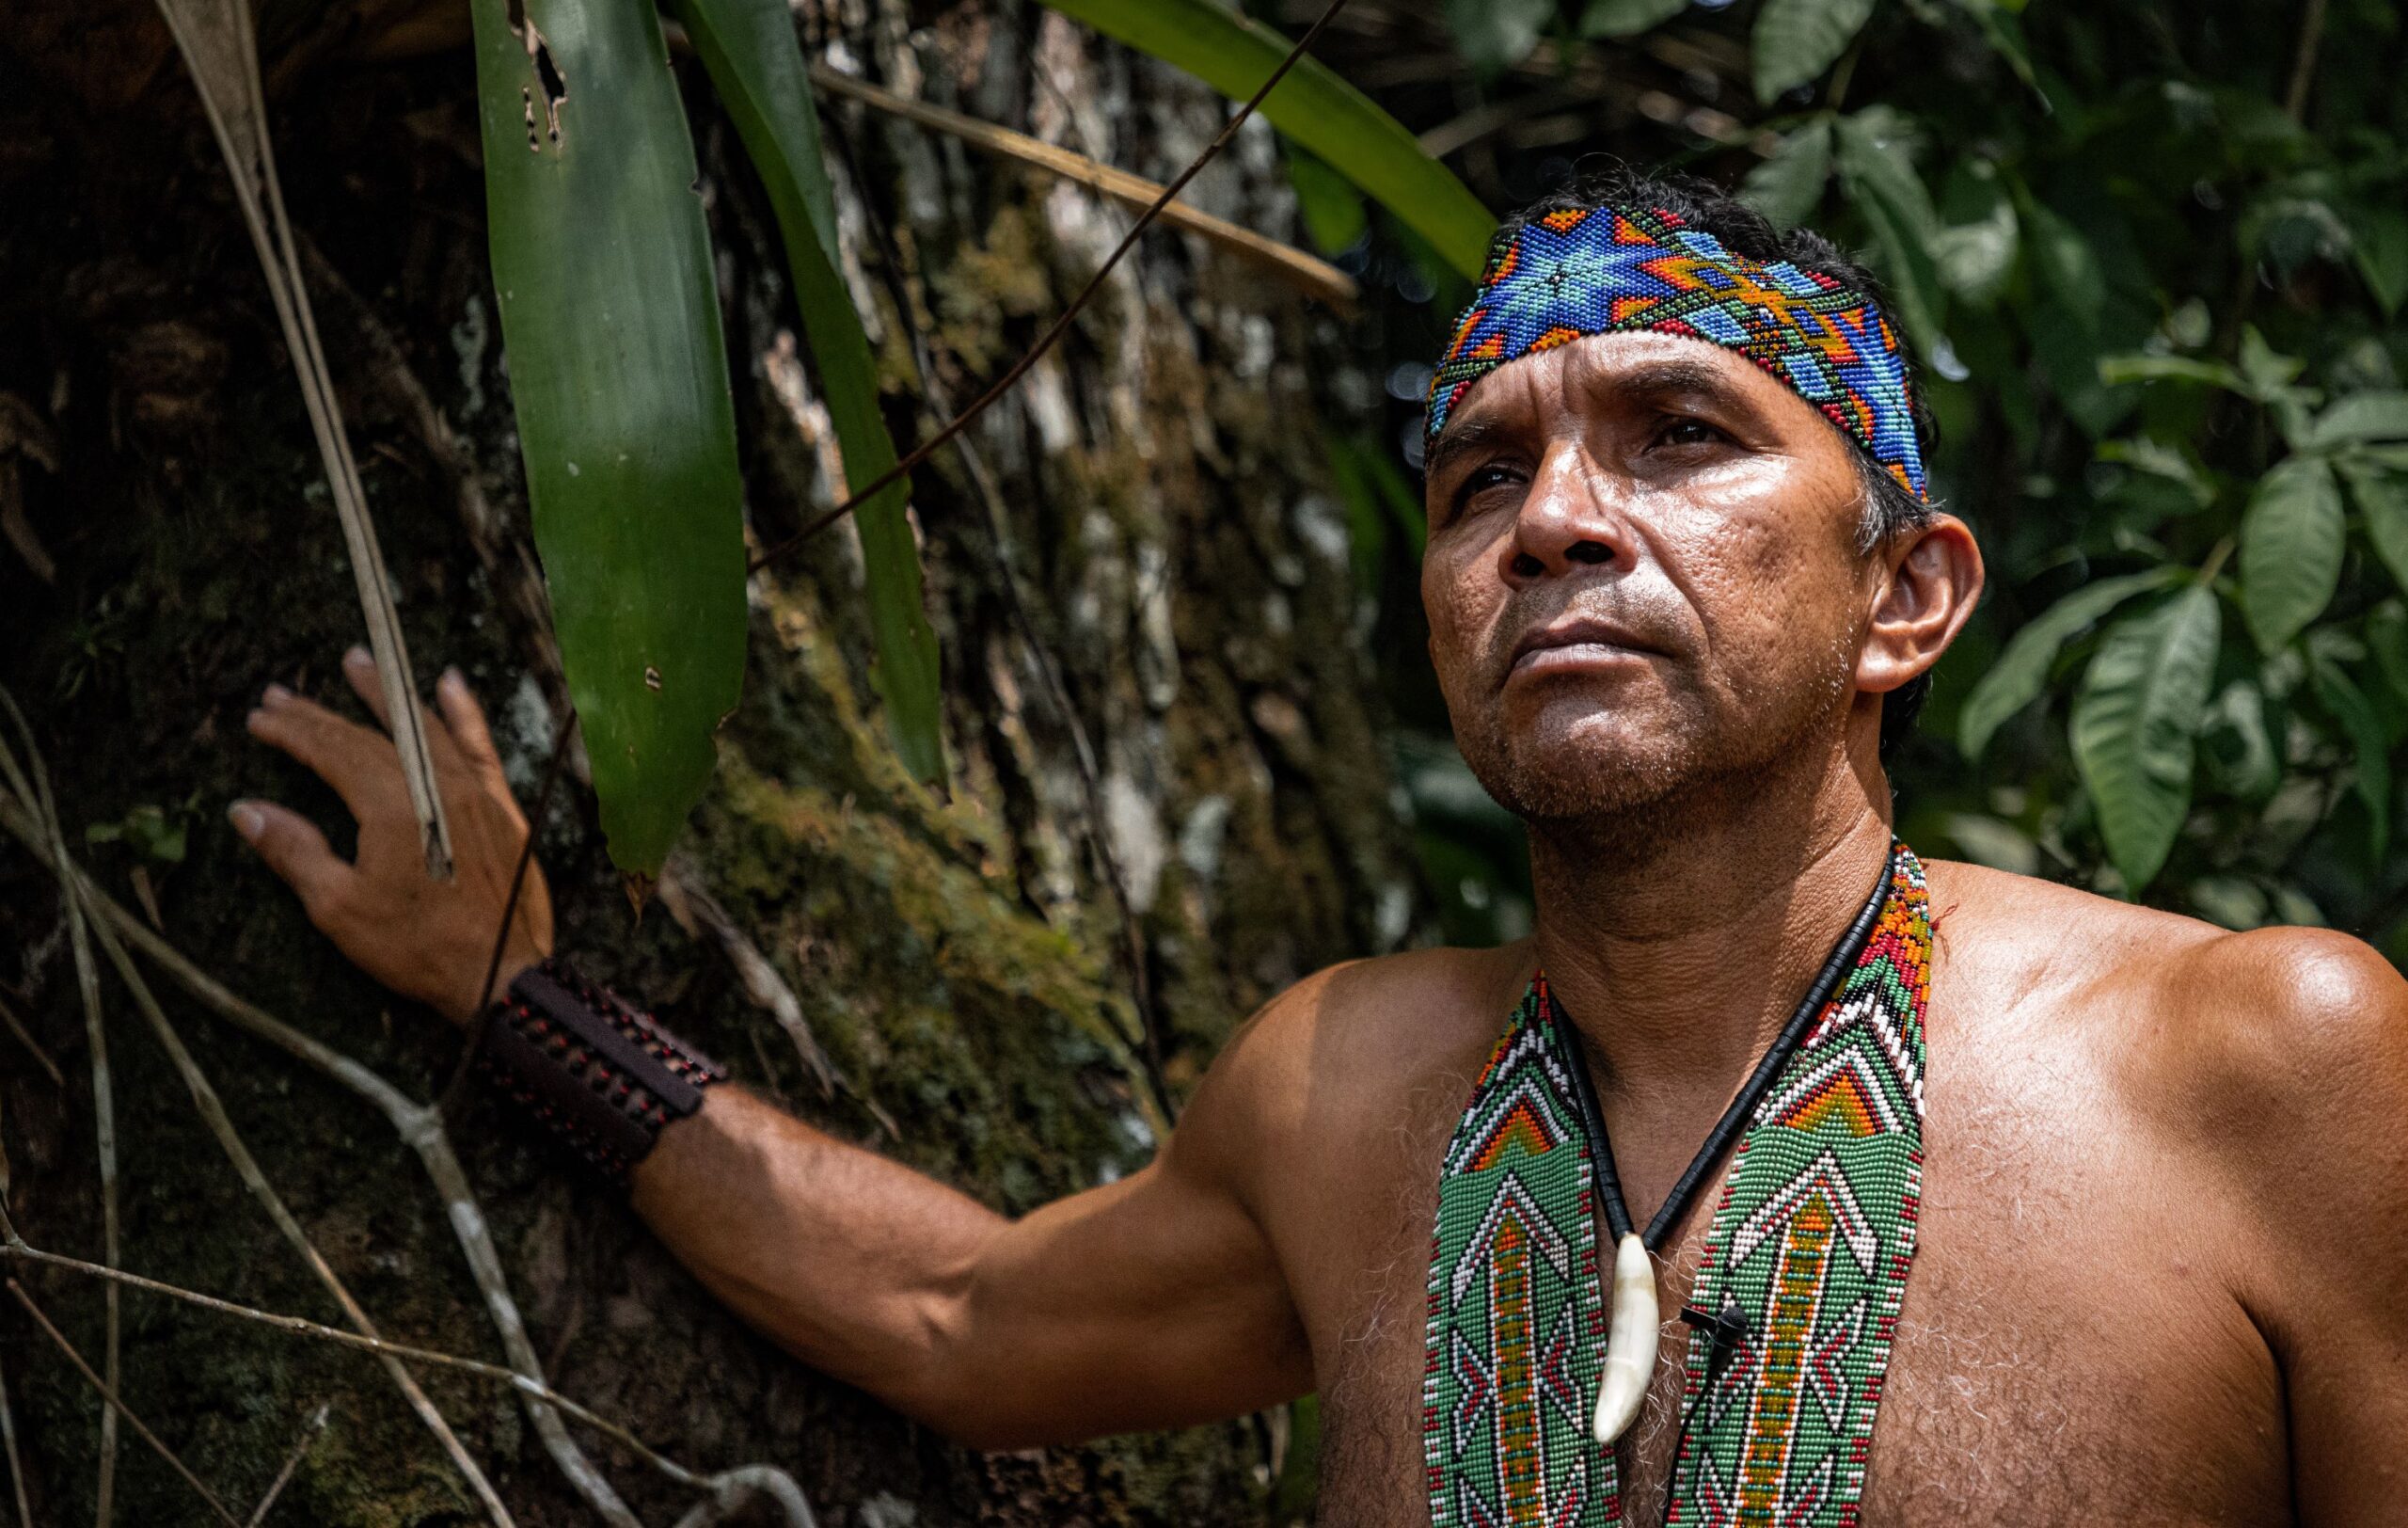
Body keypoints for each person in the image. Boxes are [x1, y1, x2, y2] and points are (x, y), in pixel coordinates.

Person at [227, 170, 2408, 1526]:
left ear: (1904, 595)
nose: (1554, 518)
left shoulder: (2256, 1064)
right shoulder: (1341, 1093)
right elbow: (961, 1308)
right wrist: (516, 992)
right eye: (1480, 480)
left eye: (1677, 437)